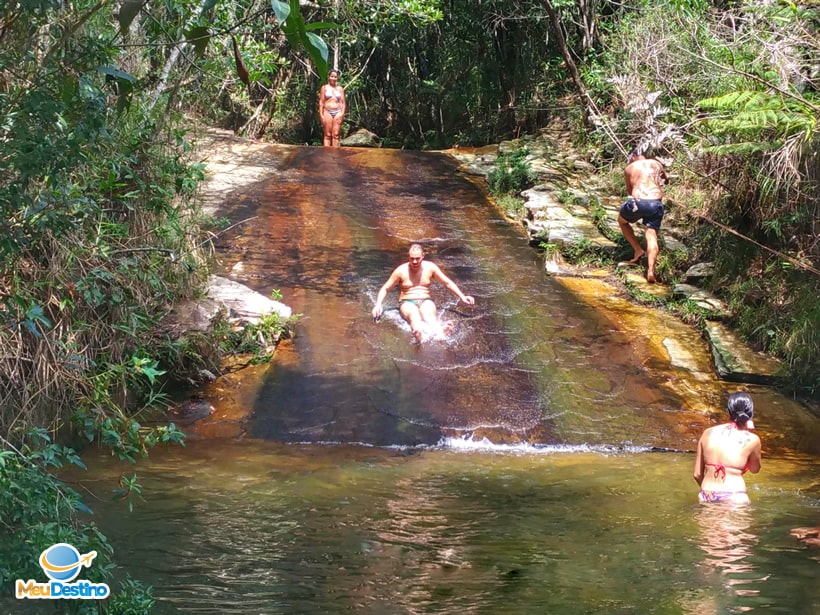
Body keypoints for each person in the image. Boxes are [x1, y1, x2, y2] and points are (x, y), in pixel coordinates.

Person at [371, 243, 475, 342]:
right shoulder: (401, 271)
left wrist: (462, 296)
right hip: (407, 302)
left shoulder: (430, 267)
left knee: (428, 315)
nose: (414, 261)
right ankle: (419, 335)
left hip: (425, 300)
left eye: (417, 258)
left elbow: (447, 282)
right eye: (412, 258)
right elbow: (385, 288)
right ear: (408, 257)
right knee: (414, 315)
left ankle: (440, 333)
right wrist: (378, 304)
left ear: (423, 256)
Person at [693, 392, 762, 504]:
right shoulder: (752, 439)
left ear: (728, 412)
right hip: (735, 495)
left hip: (707, 494)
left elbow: (697, 474)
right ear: (750, 414)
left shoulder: (707, 433)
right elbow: (755, 469)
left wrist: (712, 493)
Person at [618, 148, 668, 283]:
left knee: (622, 221)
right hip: (655, 203)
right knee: (651, 236)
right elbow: (665, 181)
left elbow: (630, 192)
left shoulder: (629, 168)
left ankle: (638, 250)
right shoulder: (656, 164)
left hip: (638, 201)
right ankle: (651, 270)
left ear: (634, 156)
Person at [318, 69, 345, 147]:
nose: (333, 78)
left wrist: (342, 114)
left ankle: (335, 153)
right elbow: (321, 102)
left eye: (335, 77)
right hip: (327, 112)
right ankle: (326, 153)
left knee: (336, 134)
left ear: (337, 78)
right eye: (332, 76)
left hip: (338, 112)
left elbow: (343, 103)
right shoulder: (324, 88)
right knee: (327, 134)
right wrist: (321, 115)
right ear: (329, 77)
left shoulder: (340, 89)